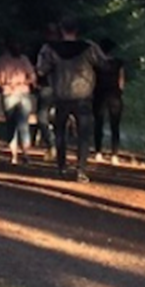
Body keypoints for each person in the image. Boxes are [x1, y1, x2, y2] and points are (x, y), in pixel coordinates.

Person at [36, 16, 110, 183]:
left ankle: (61, 167)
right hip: (83, 97)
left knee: (60, 132)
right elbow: (104, 65)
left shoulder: (50, 49)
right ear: (77, 30)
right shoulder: (89, 47)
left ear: (61, 31)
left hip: (61, 96)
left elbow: (41, 70)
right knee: (83, 135)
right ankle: (81, 170)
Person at [0, 39, 37, 165]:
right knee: (23, 124)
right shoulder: (24, 59)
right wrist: (23, 83)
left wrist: (8, 84)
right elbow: (32, 76)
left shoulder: (1, 61)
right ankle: (26, 153)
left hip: (8, 94)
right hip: (23, 93)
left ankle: (13, 155)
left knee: (11, 125)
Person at [93, 38, 128, 165]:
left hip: (99, 94)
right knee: (115, 125)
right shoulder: (119, 63)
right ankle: (114, 154)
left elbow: (92, 80)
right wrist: (120, 92)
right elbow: (121, 80)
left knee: (98, 124)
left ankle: (98, 152)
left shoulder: (96, 63)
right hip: (114, 95)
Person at [34, 23, 60, 161]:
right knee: (57, 118)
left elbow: (40, 69)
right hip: (62, 88)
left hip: (48, 87)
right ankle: (56, 145)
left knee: (42, 117)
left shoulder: (45, 49)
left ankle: (52, 145)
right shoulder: (64, 50)